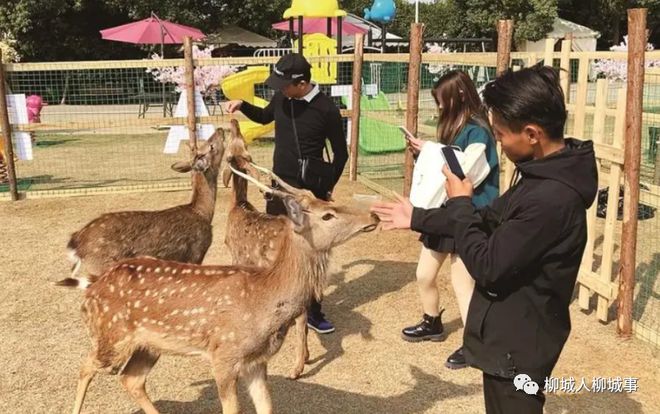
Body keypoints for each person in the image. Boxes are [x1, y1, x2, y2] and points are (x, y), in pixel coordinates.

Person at [371, 65, 598, 413]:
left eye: (501, 135)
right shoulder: (539, 177)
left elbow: (488, 267)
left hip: (519, 347)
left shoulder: (550, 199)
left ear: (532, 134)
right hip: (511, 337)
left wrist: (461, 202)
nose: (499, 143)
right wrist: (416, 217)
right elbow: (487, 217)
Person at [226, 53, 348, 334]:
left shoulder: (326, 109)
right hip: (278, 188)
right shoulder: (282, 98)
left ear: (302, 83)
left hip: (307, 193)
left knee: (310, 249)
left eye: (284, 84)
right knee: (278, 245)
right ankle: (276, 302)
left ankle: (313, 310)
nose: (279, 89)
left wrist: (327, 186)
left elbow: (341, 153)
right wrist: (242, 105)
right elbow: (264, 116)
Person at [402, 70, 499, 372]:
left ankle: (474, 344)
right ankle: (432, 321)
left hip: (469, 212)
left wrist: (430, 150)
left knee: (463, 283)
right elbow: (445, 165)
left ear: (458, 96)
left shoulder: (478, 131)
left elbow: (466, 172)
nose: (440, 106)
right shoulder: (453, 126)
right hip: (445, 210)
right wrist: (424, 153)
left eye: (443, 100)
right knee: (424, 274)